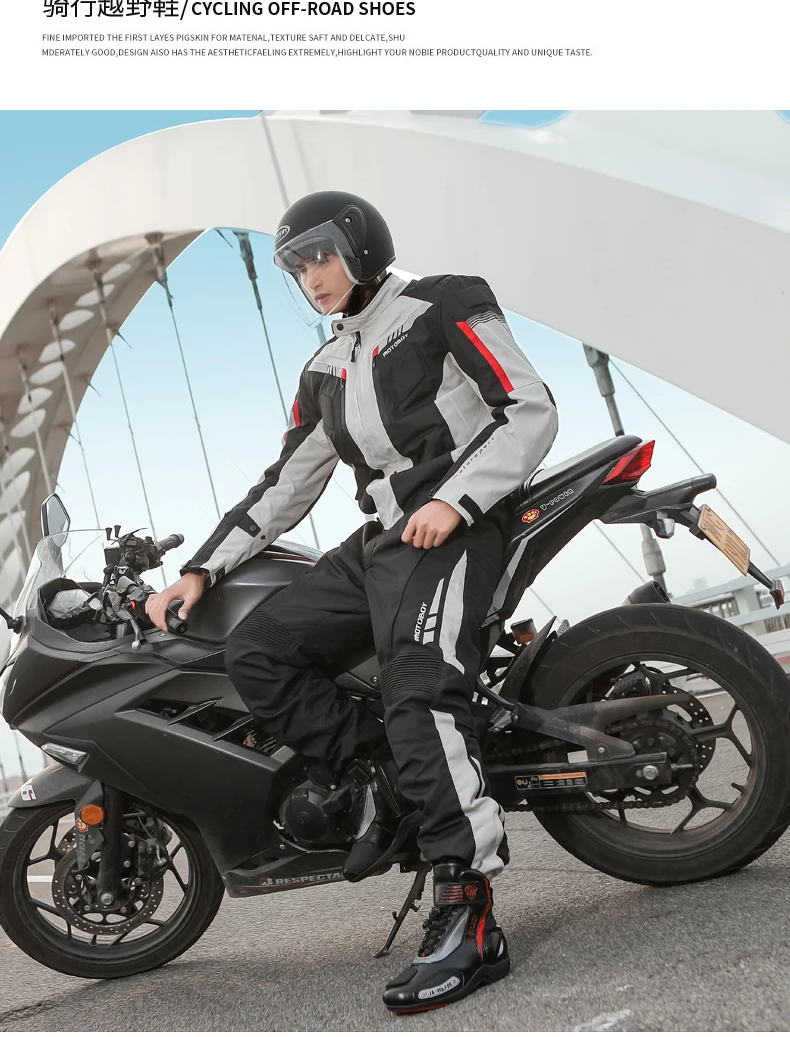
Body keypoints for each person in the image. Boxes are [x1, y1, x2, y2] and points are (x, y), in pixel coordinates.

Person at [146, 190, 559, 1013]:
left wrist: (456, 499)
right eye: (296, 267)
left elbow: (529, 408)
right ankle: (392, 778)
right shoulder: (327, 367)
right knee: (257, 650)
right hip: (385, 539)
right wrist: (200, 570)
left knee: (418, 690)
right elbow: (288, 481)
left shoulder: (442, 302)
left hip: (460, 524)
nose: (311, 277)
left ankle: (469, 912)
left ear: (361, 247)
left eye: (321, 256)